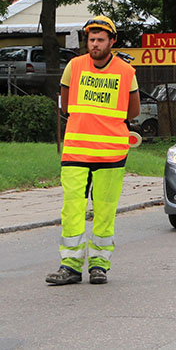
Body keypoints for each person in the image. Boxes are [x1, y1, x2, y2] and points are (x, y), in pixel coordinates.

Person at [45, 16, 140, 285]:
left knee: (105, 210)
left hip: (111, 153)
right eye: (91, 39)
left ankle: (99, 265)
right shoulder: (74, 66)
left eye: (100, 39)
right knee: (72, 208)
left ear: (112, 41)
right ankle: (70, 266)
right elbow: (65, 104)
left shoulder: (125, 72)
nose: (94, 44)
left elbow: (133, 110)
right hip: (76, 151)